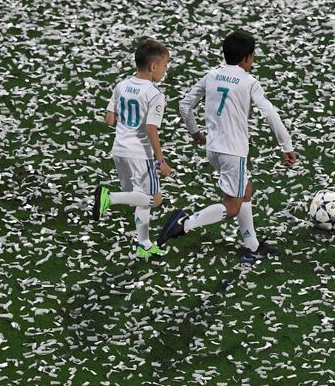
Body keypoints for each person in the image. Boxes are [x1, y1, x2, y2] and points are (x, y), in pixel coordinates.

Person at [157, 30, 296, 263]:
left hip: (214, 149)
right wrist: (286, 145)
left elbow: (184, 105)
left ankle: (252, 244)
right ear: (248, 58)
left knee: (245, 189)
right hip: (234, 152)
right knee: (232, 207)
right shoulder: (249, 82)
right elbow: (270, 113)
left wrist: (195, 133)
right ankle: (184, 224)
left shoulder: (212, 75)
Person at [92, 38, 173, 259]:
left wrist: (127, 122)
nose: (166, 70)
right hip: (140, 154)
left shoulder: (121, 85)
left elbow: (109, 119)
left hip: (119, 150)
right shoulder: (155, 94)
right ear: (153, 66)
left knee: (139, 197)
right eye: (165, 65)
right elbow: (151, 129)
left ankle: (144, 244)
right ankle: (110, 198)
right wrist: (161, 160)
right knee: (154, 199)